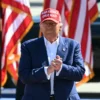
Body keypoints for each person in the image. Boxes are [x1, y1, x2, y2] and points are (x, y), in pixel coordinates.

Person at [18, 8, 85, 100]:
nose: (48, 26)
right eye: (45, 23)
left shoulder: (72, 45)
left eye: (52, 23)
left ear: (60, 26)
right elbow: (24, 76)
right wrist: (47, 70)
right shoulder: (28, 46)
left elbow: (80, 73)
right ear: (40, 26)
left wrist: (61, 68)